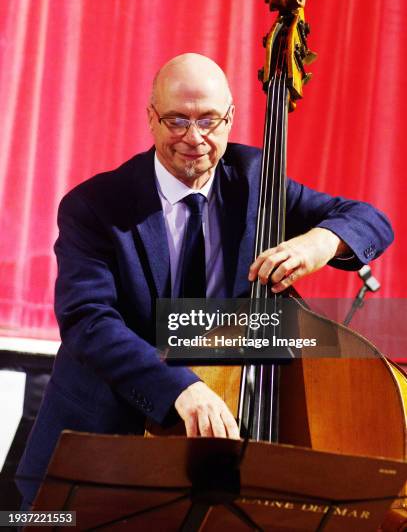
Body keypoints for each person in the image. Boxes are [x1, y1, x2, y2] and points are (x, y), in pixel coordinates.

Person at [16, 53, 393, 507]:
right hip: (103, 438)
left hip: (223, 432)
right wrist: (182, 388)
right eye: (176, 119)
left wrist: (317, 244)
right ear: (150, 118)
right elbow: (89, 322)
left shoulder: (255, 179)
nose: (194, 138)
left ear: (231, 119)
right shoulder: (95, 205)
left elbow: (370, 220)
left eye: (209, 120)